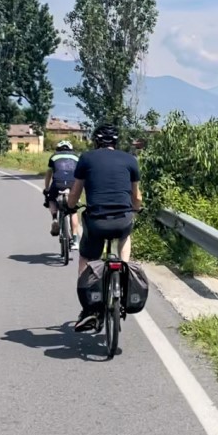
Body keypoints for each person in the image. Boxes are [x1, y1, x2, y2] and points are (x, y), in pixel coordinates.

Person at [65, 123, 142, 333]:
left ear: (96, 141)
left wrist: (70, 206)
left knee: (86, 257)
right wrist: (136, 209)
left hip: (97, 221)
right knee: (125, 235)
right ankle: (124, 270)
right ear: (116, 142)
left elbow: (75, 193)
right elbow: (136, 197)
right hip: (122, 219)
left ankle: (89, 308)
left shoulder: (87, 158)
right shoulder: (130, 160)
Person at [43, 140, 80, 247]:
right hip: (72, 184)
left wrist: (46, 189)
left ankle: (54, 218)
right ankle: (75, 239)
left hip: (57, 184)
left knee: (51, 199)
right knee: (73, 211)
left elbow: (49, 174)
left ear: (58, 149)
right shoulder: (76, 157)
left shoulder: (54, 156)